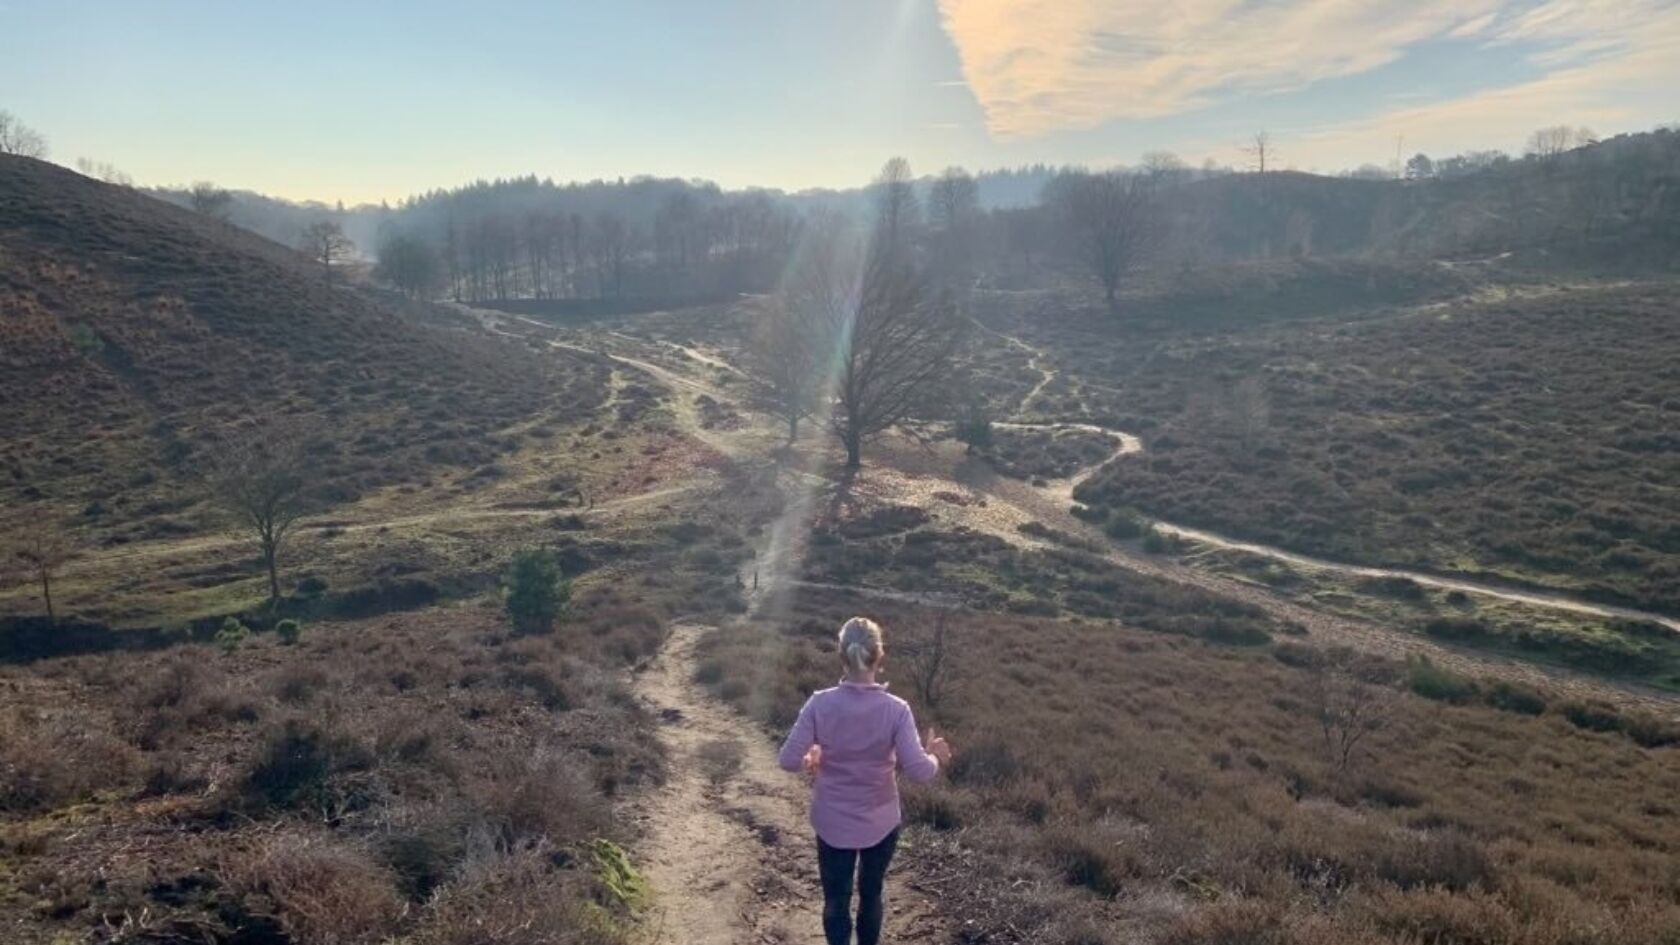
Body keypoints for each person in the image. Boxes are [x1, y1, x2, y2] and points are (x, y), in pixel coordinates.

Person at [778, 616, 953, 945]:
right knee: (872, 894)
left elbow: (787, 760)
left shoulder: (819, 703)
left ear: (842, 656)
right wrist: (935, 756)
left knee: (836, 900)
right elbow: (920, 771)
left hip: (832, 821)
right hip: (881, 822)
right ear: (879, 656)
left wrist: (809, 760)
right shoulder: (897, 710)